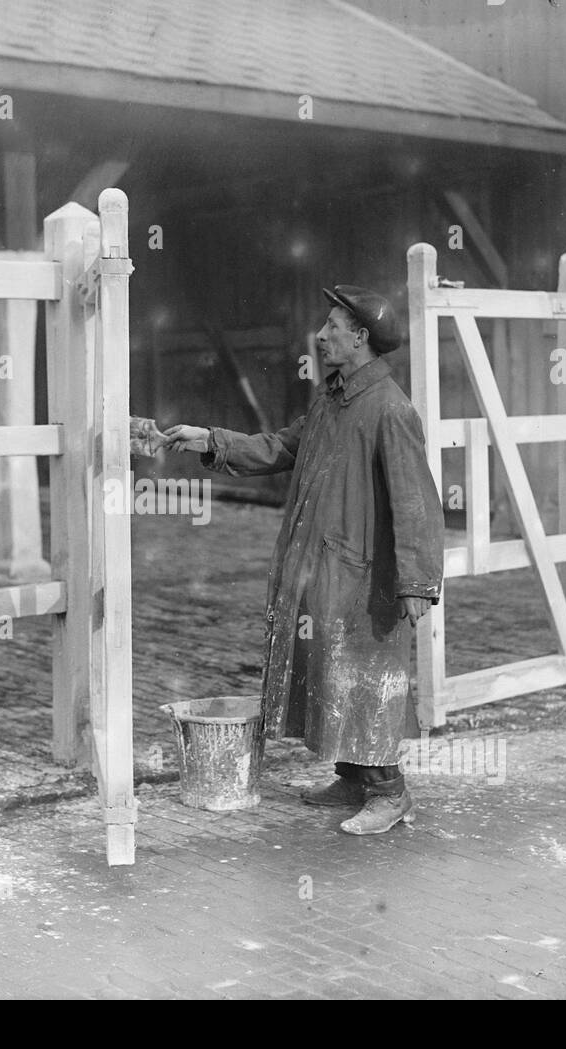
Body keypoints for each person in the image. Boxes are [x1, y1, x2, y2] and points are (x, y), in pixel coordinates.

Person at [165, 286, 444, 834]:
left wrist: (416, 582)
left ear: (361, 338)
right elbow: (277, 448)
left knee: (363, 677)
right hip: (322, 569)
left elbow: (416, 502)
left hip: (365, 576)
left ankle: (391, 793)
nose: (321, 335)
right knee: (328, 671)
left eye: (334, 326)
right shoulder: (330, 400)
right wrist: (210, 441)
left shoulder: (390, 409)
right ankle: (352, 777)